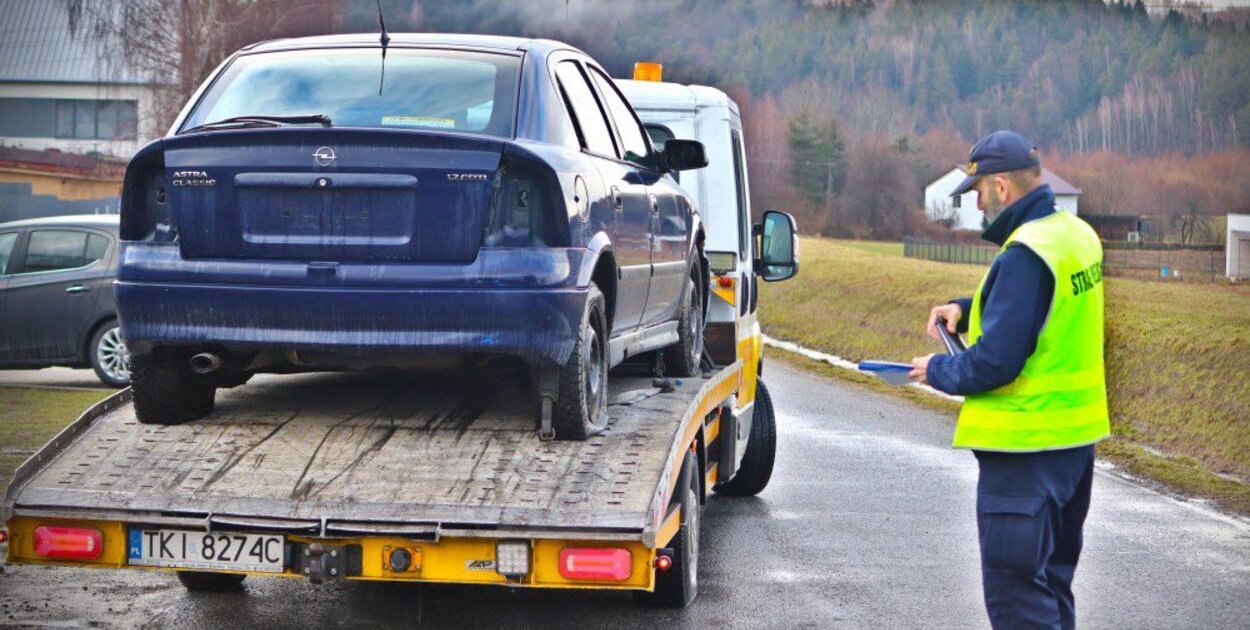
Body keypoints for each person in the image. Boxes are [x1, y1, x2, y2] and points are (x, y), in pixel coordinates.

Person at [908, 130, 1110, 630]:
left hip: (1025, 454)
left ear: (1001, 187)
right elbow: (1039, 308)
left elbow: (995, 363)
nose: (975, 206)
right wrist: (965, 306)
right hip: (1073, 449)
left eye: (976, 193)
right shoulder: (1074, 235)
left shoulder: (1024, 253)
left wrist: (934, 369)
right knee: (1051, 585)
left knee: (1018, 598)